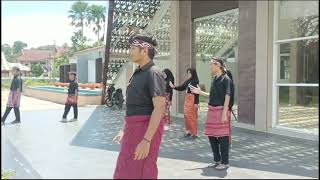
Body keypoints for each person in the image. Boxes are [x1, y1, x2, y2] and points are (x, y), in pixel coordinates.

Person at [112, 34, 166, 179]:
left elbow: (160, 107)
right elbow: (134, 106)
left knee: (142, 171)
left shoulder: (154, 73)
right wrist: (124, 130)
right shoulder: (138, 73)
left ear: (144, 51)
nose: (130, 51)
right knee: (125, 170)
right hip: (132, 129)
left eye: (133, 48)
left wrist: (147, 140)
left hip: (145, 130)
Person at [191, 58, 234, 170]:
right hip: (212, 110)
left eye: (211, 65)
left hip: (221, 111)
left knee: (223, 137)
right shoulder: (215, 79)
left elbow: (227, 96)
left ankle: (225, 162)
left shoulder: (226, 79)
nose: (210, 67)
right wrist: (200, 92)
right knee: (211, 136)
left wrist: (224, 113)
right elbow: (213, 95)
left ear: (218, 65)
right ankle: (217, 160)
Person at [169, 68, 199, 139]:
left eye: (189, 73)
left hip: (192, 98)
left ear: (193, 73)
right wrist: (174, 87)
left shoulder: (195, 81)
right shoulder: (188, 81)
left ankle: (194, 133)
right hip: (187, 99)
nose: (188, 74)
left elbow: (197, 93)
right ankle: (188, 131)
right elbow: (181, 87)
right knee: (186, 116)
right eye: (187, 73)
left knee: (192, 116)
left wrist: (196, 103)